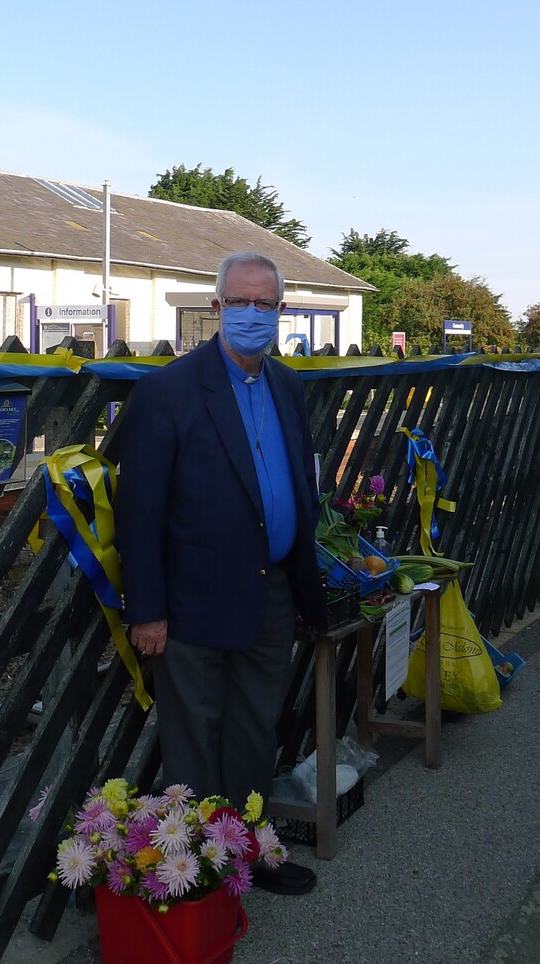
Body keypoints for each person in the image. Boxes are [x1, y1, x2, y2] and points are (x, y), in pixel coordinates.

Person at [117, 251, 327, 895]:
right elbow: (140, 510)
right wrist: (147, 610)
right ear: (215, 308)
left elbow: (294, 483)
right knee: (193, 737)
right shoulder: (169, 392)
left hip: (269, 593)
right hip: (193, 602)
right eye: (240, 303)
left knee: (253, 728)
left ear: (281, 311)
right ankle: (199, 871)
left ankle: (251, 852)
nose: (252, 316)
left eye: (266, 305)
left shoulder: (287, 386)